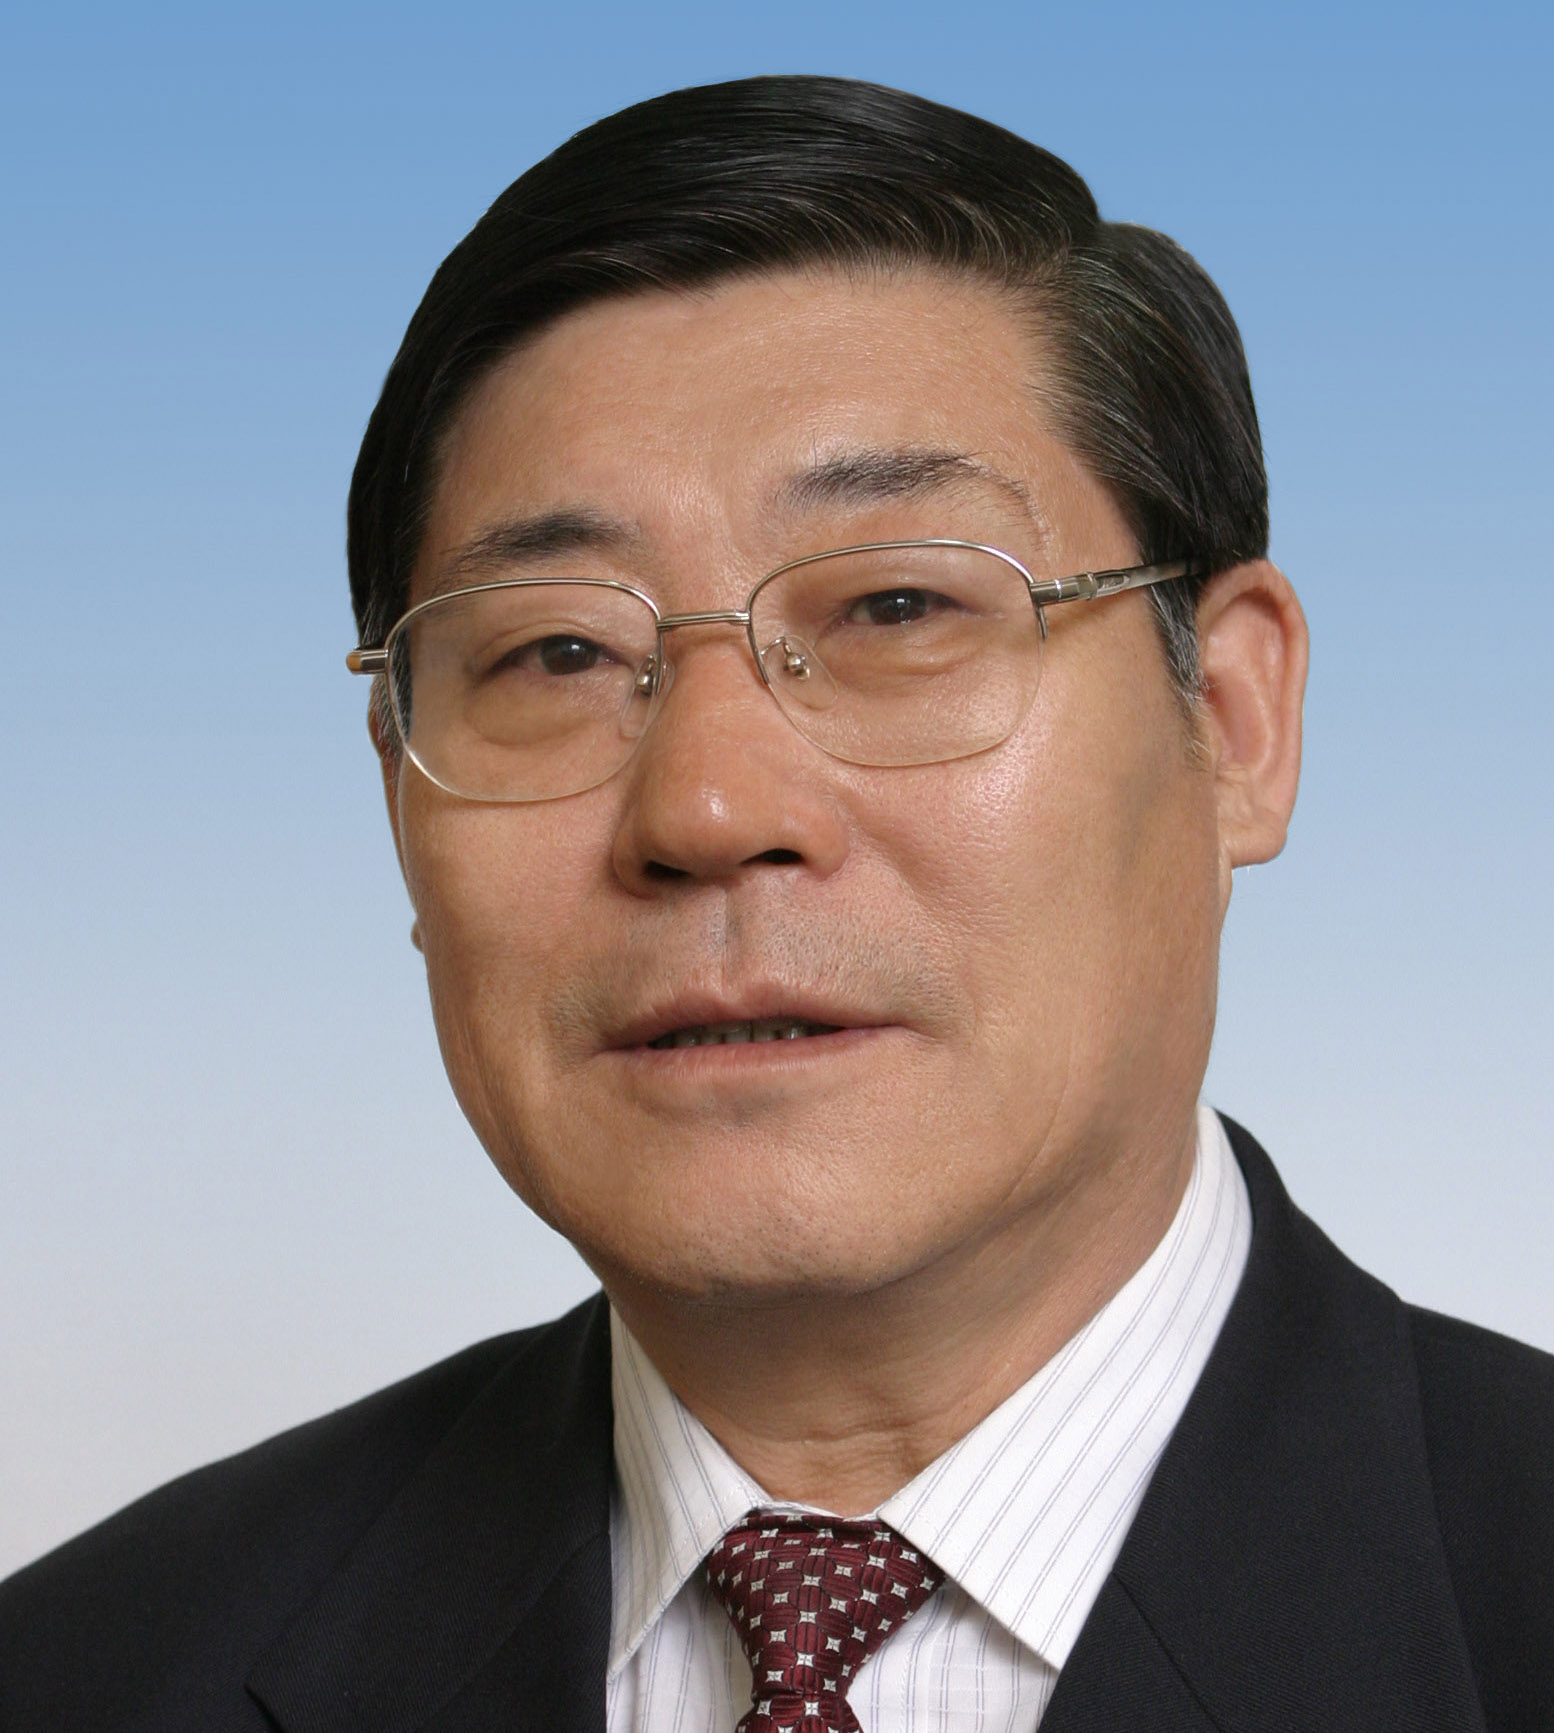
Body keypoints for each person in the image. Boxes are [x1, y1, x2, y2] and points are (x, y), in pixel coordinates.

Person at [1, 74, 1549, 1733]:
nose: (708, 809)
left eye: (895, 608)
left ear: (1233, 721)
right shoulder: (86, 1672)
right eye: (557, 651)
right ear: (399, 801)